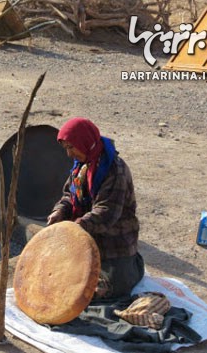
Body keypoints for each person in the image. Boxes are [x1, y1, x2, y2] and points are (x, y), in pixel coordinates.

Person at [47, 117, 145, 300]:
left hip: (114, 243)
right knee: (58, 278)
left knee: (104, 291)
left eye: (71, 147)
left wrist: (76, 227)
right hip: (86, 237)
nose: (69, 154)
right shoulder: (81, 166)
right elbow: (69, 194)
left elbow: (106, 212)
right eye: (66, 148)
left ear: (85, 142)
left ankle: (133, 264)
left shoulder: (115, 170)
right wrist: (59, 211)